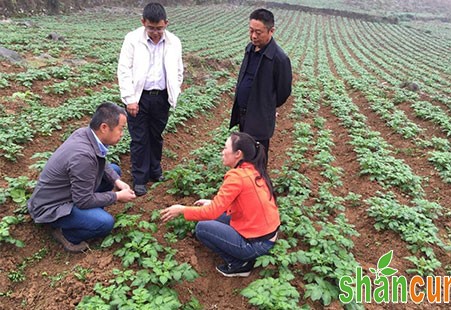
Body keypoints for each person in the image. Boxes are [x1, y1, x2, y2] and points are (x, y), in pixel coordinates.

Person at [160, 132, 280, 277]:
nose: (222, 152)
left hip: (257, 244)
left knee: (203, 227)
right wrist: (213, 203)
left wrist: (181, 210)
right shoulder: (253, 170)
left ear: (238, 154)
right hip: (266, 235)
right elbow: (243, 202)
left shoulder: (236, 177)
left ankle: (239, 265)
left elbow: (211, 213)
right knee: (214, 216)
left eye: (225, 148)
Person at [27, 102, 136, 253]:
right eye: (120, 129)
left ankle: (87, 214)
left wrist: (117, 181)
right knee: (105, 223)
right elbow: (83, 200)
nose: (122, 134)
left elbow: (100, 161)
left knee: (114, 171)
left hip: (67, 193)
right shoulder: (83, 157)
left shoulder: (85, 133)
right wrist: (116, 196)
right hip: (52, 207)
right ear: (104, 127)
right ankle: (67, 234)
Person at [117, 2, 183, 196]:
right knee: (139, 138)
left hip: (161, 97)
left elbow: (179, 69)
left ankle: (155, 170)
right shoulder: (132, 40)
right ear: (143, 22)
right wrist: (130, 98)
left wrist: (174, 91)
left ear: (166, 24)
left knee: (156, 135)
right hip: (139, 97)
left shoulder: (174, 42)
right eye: (151, 28)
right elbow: (124, 69)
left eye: (159, 28)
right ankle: (139, 178)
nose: (155, 32)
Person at [229, 8, 292, 160]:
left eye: (258, 32)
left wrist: (265, 105)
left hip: (259, 119)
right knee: (243, 155)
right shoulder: (250, 48)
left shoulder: (279, 58)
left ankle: (258, 183)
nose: (253, 36)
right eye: (251, 31)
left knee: (257, 158)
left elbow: (283, 92)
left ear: (271, 31)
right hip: (243, 115)